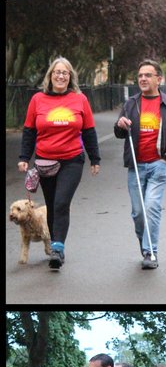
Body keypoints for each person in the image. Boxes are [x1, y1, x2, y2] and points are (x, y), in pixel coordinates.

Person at [17, 57, 101, 269]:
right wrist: (24, 158)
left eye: (65, 72)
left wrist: (95, 158)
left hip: (72, 159)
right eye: (57, 72)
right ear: (50, 76)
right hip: (45, 160)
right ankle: (56, 245)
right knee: (53, 204)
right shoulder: (38, 99)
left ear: (70, 76)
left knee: (62, 202)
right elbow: (29, 131)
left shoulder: (80, 100)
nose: (61, 76)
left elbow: (89, 130)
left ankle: (57, 248)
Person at [114, 59, 166, 270]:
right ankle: (145, 244)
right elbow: (119, 133)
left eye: (148, 75)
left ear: (158, 79)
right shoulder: (131, 104)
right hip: (135, 165)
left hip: (158, 165)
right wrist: (120, 124)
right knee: (138, 212)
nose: (143, 79)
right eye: (140, 76)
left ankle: (150, 251)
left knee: (152, 206)